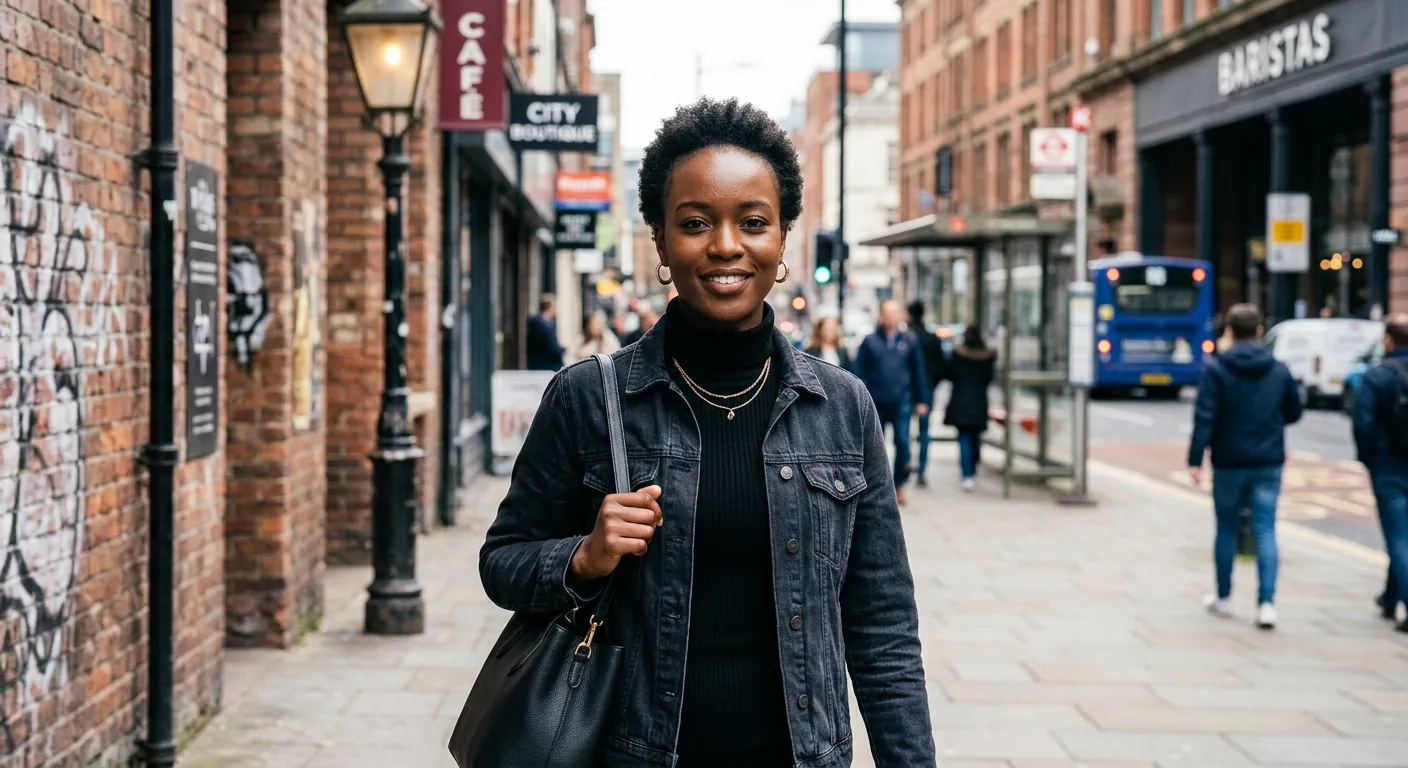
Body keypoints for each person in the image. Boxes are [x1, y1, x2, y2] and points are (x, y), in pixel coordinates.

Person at [479, 98, 936, 768]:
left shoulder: (843, 407)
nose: (725, 245)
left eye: (752, 222)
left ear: (781, 241)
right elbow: (502, 562)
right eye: (695, 223)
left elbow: (883, 629)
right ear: (662, 241)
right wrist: (584, 557)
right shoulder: (587, 397)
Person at [1187, 303, 1303, 630]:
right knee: (1265, 529)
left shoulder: (1217, 369)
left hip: (1229, 461)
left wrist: (1195, 460)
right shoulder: (1278, 369)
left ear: (1229, 332)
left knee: (1225, 528)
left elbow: (1205, 418)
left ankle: (1223, 598)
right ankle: (1267, 604)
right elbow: (1294, 412)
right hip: (1268, 461)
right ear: (1260, 332)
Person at [1351, 313, 1408, 632]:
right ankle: (1390, 597)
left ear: (1388, 340)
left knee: (1397, 535)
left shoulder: (1378, 375)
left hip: (1389, 465)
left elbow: (1363, 423)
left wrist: (1368, 458)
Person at [854, 300, 932, 505]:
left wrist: (922, 399)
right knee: (874, 446)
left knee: (902, 443)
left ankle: (899, 485)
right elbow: (858, 372)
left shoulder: (909, 339)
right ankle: (875, 486)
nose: (891, 317)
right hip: (876, 401)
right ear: (881, 315)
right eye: (888, 313)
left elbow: (918, 371)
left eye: (895, 313)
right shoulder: (870, 341)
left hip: (902, 400)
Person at [944, 325, 995, 492]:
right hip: (979, 400)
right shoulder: (987, 356)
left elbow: (950, 374)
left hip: (961, 400)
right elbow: (989, 378)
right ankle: (973, 470)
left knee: (964, 437)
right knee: (975, 437)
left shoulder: (958, 355)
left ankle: (967, 474)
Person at [907, 301, 947, 488]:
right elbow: (941, 367)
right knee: (924, 431)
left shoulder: (906, 337)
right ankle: (921, 469)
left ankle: (906, 463)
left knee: (903, 432)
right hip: (927, 390)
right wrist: (930, 385)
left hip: (907, 390)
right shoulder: (931, 338)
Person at [526, 293, 567, 371]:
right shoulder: (545, 325)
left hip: (536, 365)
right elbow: (554, 350)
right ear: (550, 307)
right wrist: (563, 348)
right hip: (547, 367)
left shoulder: (536, 323)